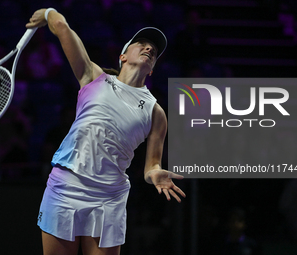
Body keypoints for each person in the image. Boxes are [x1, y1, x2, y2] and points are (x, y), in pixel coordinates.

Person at [26, 7, 186, 255]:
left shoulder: (156, 113)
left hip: (109, 198)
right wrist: (48, 13)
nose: (148, 48)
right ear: (123, 56)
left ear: (152, 69)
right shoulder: (93, 77)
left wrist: (154, 173)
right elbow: (63, 28)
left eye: (153, 50)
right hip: (66, 187)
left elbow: (151, 164)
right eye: (141, 43)